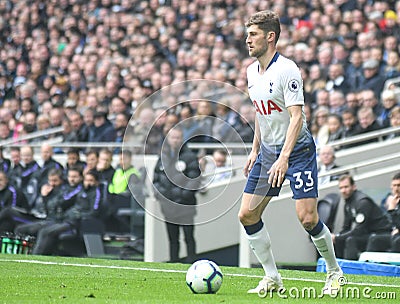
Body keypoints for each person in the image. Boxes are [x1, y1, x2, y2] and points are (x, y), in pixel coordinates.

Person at [239, 10, 342, 296]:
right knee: (247, 215)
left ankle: (334, 272)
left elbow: (296, 117)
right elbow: (262, 114)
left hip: (296, 152)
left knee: (308, 218)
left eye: (253, 34)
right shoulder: (251, 72)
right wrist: (255, 149)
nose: (247, 40)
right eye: (248, 34)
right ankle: (272, 277)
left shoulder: (287, 69)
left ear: (270, 37)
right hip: (268, 153)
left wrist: (284, 156)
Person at [153, 126, 201, 263]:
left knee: (188, 237)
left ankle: (192, 262)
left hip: (186, 205)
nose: (175, 140)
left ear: (182, 139)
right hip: (168, 206)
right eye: (173, 137)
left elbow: (195, 180)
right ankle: (173, 263)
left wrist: (180, 194)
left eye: (178, 137)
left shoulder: (190, 157)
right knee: (172, 239)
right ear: (168, 139)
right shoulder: (162, 157)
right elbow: (156, 179)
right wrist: (164, 195)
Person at [32, 170, 103, 255]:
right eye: (86, 180)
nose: (88, 183)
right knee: (42, 230)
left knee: (46, 232)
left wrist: (78, 216)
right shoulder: (81, 191)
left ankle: (36, 256)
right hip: (66, 219)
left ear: (97, 182)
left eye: (91, 180)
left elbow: (95, 211)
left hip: (76, 223)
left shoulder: (96, 193)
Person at [332, 175, 392, 260]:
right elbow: (346, 227)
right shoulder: (348, 203)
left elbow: (359, 230)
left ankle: (351, 270)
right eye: (341, 188)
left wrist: (337, 237)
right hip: (368, 234)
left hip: (382, 233)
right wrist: (336, 237)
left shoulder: (362, 202)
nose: (343, 191)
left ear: (354, 187)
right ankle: (338, 267)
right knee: (339, 240)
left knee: (351, 240)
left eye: (346, 187)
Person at [367, 172, 400, 253]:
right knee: (374, 239)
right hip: (392, 232)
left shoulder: (393, 203)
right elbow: (387, 222)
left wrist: (392, 210)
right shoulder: (391, 200)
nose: (396, 189)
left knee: (397, 240)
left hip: (397, 235)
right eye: (394, 185)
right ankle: (370, 265)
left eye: (399, 185)